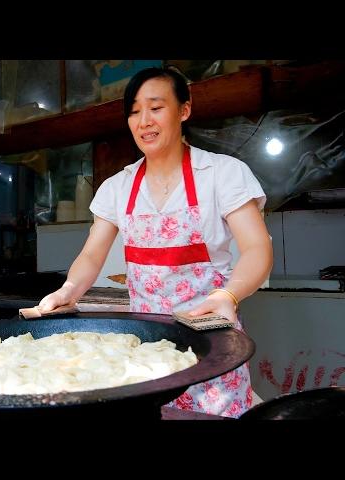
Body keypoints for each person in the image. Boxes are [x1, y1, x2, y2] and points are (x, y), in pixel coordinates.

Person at [38, 66, 273, 418]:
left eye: (156, 107)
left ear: (184, 110)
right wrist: (68, 291)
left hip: (212, 344)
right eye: (134, 111)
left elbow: (257, 248)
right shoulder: (118, 188)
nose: (143, 120)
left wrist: (228, 295)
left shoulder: (223, 174)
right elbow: (91, 254)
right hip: (147, 351)